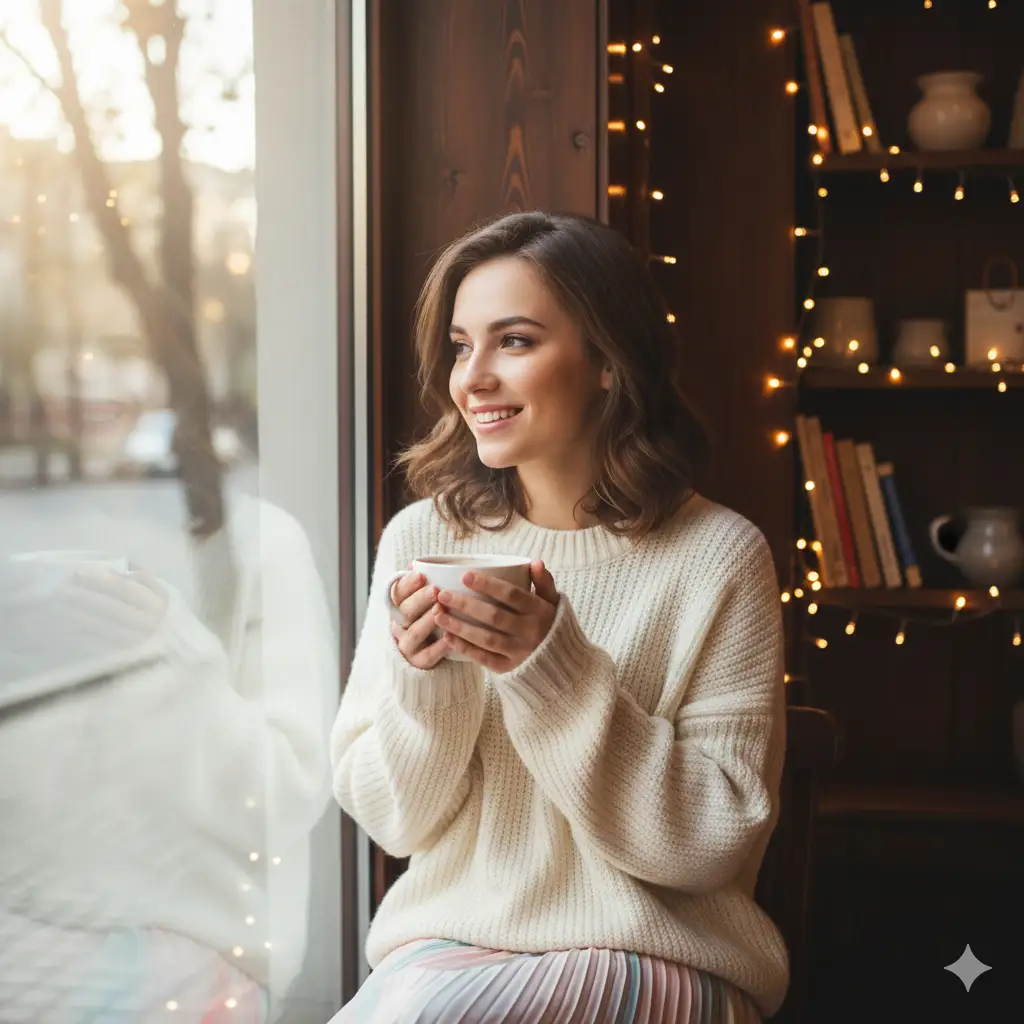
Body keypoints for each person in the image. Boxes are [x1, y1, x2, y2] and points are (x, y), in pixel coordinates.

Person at [329, 211, 788, 1023]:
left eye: (514, 341)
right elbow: (395, 822)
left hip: (659, 953)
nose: (471, 379)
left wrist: (553, 670)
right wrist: (426, 682)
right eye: (463, 346)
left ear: (608, 360)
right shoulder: (423, 538)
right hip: (448, 949)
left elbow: (713, 843)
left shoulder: (717, 554)